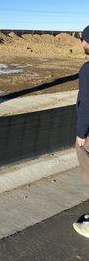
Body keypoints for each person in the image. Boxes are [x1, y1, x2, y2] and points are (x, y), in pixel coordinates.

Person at [73, 25, 89, 237]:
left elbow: (86, 103)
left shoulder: (88, 69)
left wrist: (81, 133)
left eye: (84, 40)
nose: (83, 43)